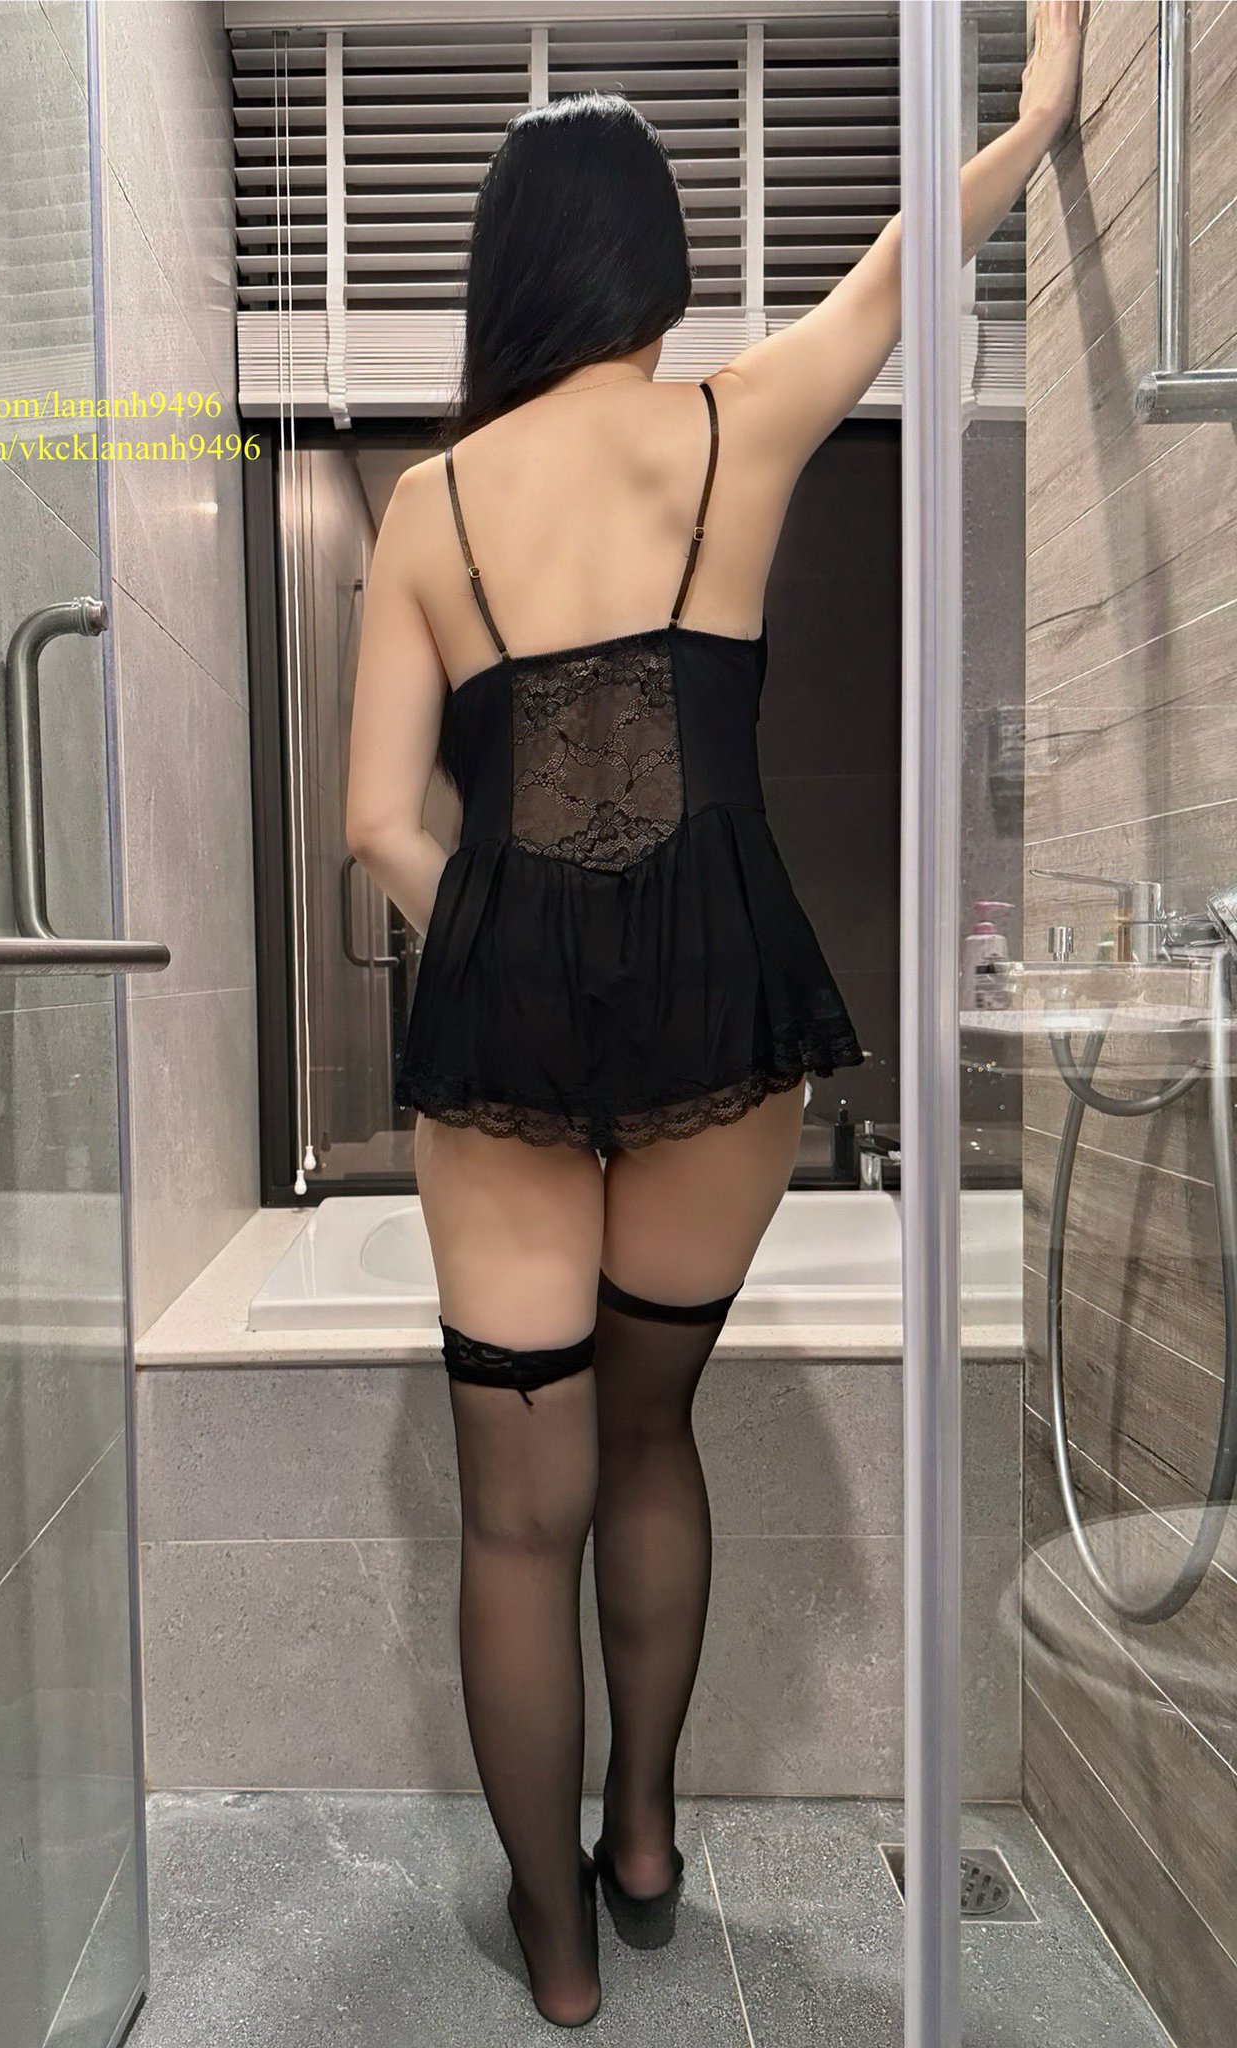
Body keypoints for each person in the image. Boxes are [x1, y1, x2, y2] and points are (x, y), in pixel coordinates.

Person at [344, 3, 1086, 2024]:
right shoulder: (736, 423)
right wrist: (1031, 118)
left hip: (504, 1046)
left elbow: (375, 820)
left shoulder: (428, 506)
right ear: (653, 264)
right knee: (655, 1428)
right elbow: (903, 265)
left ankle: (558, 1949)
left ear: (509, 271)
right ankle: (648, 1829)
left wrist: (507, 933)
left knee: (521, 1518)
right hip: (719, 1019)